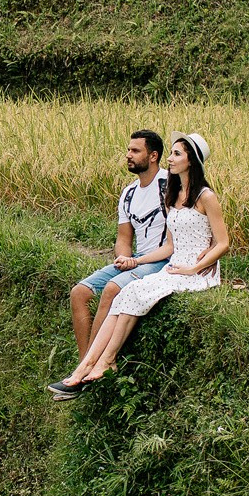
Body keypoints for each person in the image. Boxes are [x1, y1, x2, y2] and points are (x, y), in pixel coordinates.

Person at [50, 133, 231, 399]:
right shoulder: (172, 195)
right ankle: (89, 365)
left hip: (195, 272)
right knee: (125, 294)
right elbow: (170, 246)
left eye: (177, 154)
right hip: (174, 264)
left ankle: (101, 361)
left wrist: (195, 267)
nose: (171, 158)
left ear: (191, 161)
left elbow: (223, 242)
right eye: (171, 153)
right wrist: (134, 260)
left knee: (126, 292)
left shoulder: (206, 196)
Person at [69, 130, 171, 358]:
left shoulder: (169, 185)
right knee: (79, 293)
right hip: (136, 258)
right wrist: (124, 258)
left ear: (153, 156)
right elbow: (124, 238)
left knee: (112, 288)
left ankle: (89, 365)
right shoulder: (129, 193)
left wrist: (135, 260)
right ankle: (85, 361)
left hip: (161, 260)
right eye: (128, 150)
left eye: (135, 151)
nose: (128, 155)